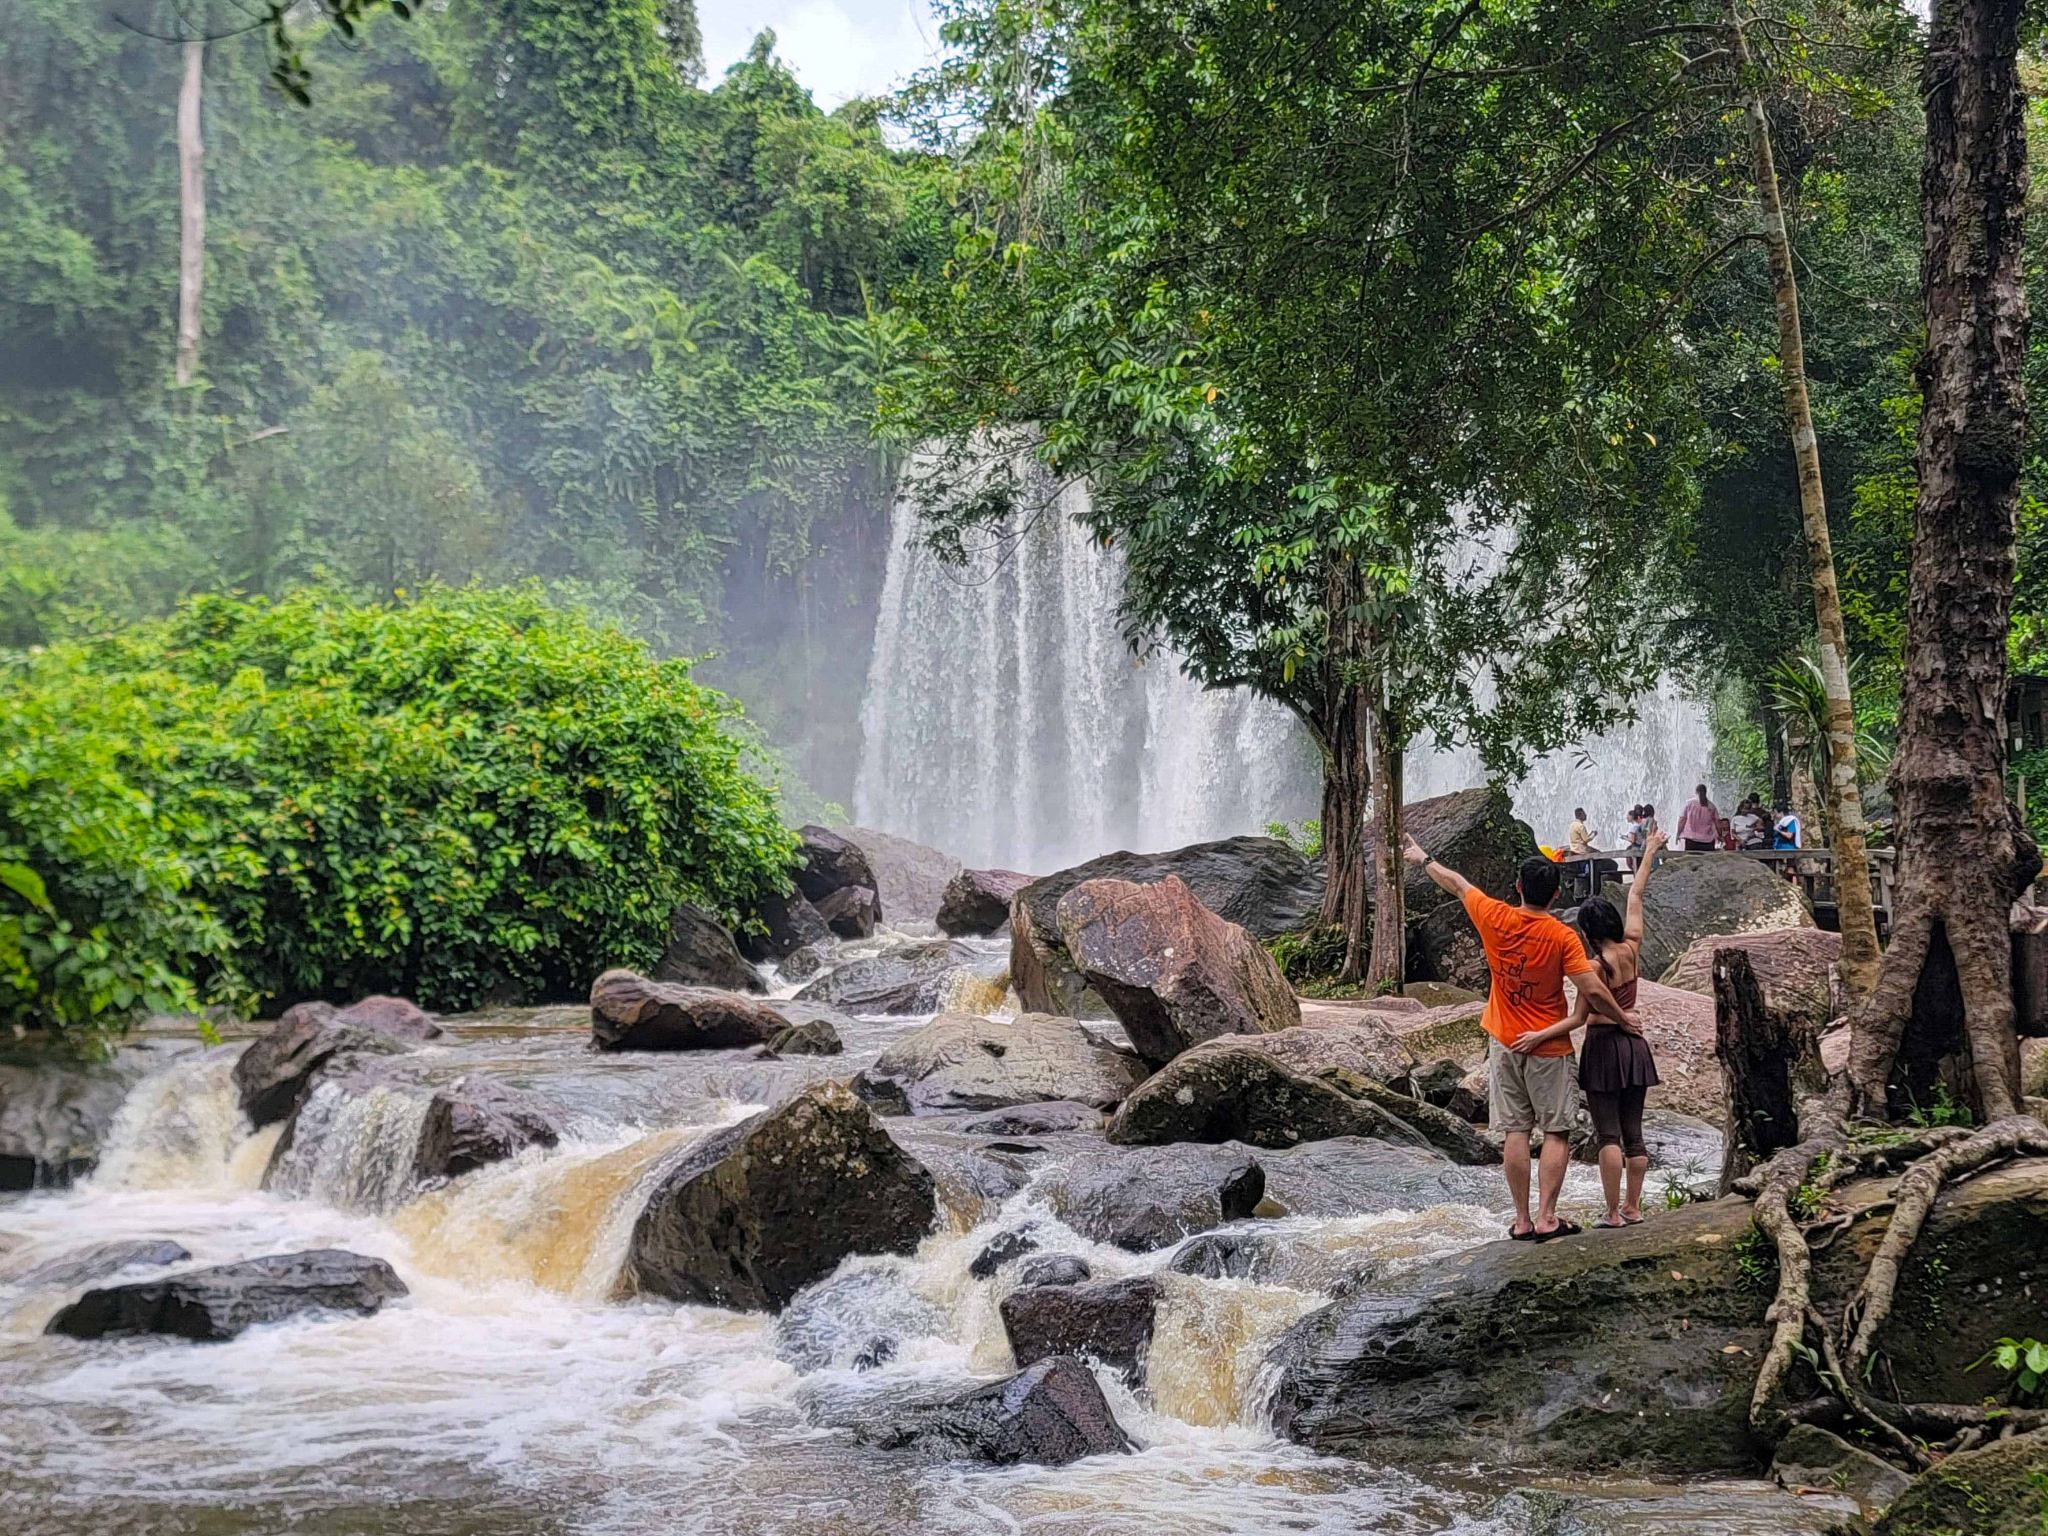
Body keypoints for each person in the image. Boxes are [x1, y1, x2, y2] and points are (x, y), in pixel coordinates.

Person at [1402, 833, 1636, 1242]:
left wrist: (1422, 858)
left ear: (1518, 888)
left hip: (1504, 1040)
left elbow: (1456, 882)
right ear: (1557, 893)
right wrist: (1623, 1018)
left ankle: (1522, 1219)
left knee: (1516, 1131)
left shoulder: (1494, 915)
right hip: (1548, 1046)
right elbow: (1593, 989)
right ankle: (1548, 1216)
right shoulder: (1562, 936)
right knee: (1557, 1130)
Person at [1514, 828, 1667, 1228]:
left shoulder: (1595, 968)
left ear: (1585, 932)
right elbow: (1636, 893)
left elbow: (1579, 1018)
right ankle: (1635, 1207)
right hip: (1635, 1047)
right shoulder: (1631, 947)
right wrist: (1649, 850)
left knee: (1608, 1135)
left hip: (1603, 1047)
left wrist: (1539, 1035)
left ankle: (1613, 1212)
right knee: (1634, 1134)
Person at [1675, 783, 1721, 851]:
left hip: (1691, 840)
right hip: (1708, 841)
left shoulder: (1689, 804)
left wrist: (1678, 833)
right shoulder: (1711, 806)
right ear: (1706, 792)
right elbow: (1718, 823)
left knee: (1690, 860)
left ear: (1696, 792)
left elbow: (1682, 820)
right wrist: (1720, 835)